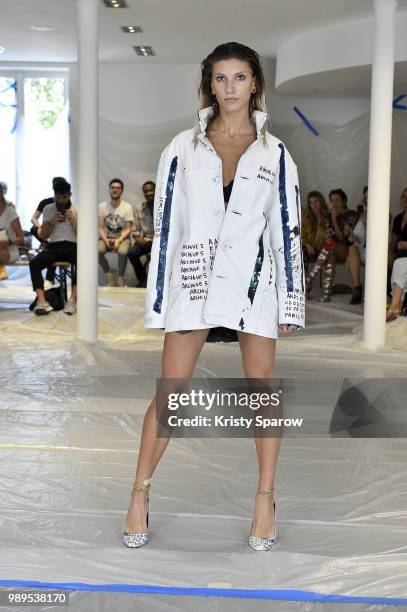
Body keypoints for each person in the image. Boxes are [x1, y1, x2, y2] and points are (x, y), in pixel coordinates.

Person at [122, 42, 305, 552]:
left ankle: (265, 497)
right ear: (209, 85)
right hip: (194, 281)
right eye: (220, 79)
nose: (230, 88)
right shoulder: (181, 148)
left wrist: (290, 301)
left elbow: (286, 231)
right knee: (171, 393)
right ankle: (139, 493)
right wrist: (159, 301)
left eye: (239, 78)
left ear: (255, 85)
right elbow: (166, 228)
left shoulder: (276, 153)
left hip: (253, 284)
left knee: (263, 392)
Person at [29, 180, 78, 315]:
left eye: (65, 197)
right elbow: (44, 236)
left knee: (83, 262)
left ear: (70, 195)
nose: (61, 201)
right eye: (58, 197)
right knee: (34, 263)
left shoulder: (77, 208)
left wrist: (73, 221)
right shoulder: (48, 208)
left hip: (72, 245)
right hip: (53, 246)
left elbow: (82, 234)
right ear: (54, 195)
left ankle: (72, 300)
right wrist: (51, 222)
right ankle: (42, 301)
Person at [306, 189, 360, 302]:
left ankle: (310, 278)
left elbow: (342, 238)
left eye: (337, 200)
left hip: (348, 251)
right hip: (332, 250)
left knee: (332, 245)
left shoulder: (352, 215)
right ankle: (326, 294)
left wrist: (334, 220)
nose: (334, 204)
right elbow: (329, 235)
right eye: (332, 201)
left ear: (344, 201)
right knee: (331, 257)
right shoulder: (329, 216)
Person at [30, 176, 67, 288]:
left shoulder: (68, 205)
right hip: (47, 232)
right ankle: (49, 278)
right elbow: (33, 219)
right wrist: (41, 227)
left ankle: (49, 278)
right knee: (34, 229)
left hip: (59, 235)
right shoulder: (45, 202)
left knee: (52, 246)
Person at [98, 179, 133, 287]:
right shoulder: (102, 206)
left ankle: (120, 277)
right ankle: (109, 274)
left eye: (118, 188)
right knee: (96, 251)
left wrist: (118, 240)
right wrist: (106, 240)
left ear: (122, 190)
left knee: (123, 252)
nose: (115, 190)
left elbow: (128, 228)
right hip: (106, 237)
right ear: (109, 190)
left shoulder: (127, 207)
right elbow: (100, 227)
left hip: (122, 238)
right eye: (112, 187)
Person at [128, 181, 155, 287]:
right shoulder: (139, 208)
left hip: (159, 242)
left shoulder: (164, 206)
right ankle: (143, 280)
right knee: (132, 253)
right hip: (145, 240)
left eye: (151, 190)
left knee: (155, 257)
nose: (149, 193)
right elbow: (134, 227)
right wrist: (137, 238)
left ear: (156, 190)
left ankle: (155, 283)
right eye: (146, 191)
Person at [387, 187, 407, 321]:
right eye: (403, 197)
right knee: (393, 258)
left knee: (399, 261)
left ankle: (395, 306)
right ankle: (396, 305)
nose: (405, 200)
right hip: (399, 253)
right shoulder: (398, 218)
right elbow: (394, 240)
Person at [301, 191, 331, 272]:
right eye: (311, 202)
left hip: (323, 248)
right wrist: (307, 245)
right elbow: (302, 236)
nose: (314, 205)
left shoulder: (328, 216)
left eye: (316, 201)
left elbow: (329, 236)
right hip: (309, 248)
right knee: (301, 250)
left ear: (321, 201)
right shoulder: (306, 217)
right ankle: (303, 280)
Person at [0, 182, 24, 277]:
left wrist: (7, 242)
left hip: (9, 250)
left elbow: (21, 238)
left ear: (1, 193)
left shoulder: (10, 211)